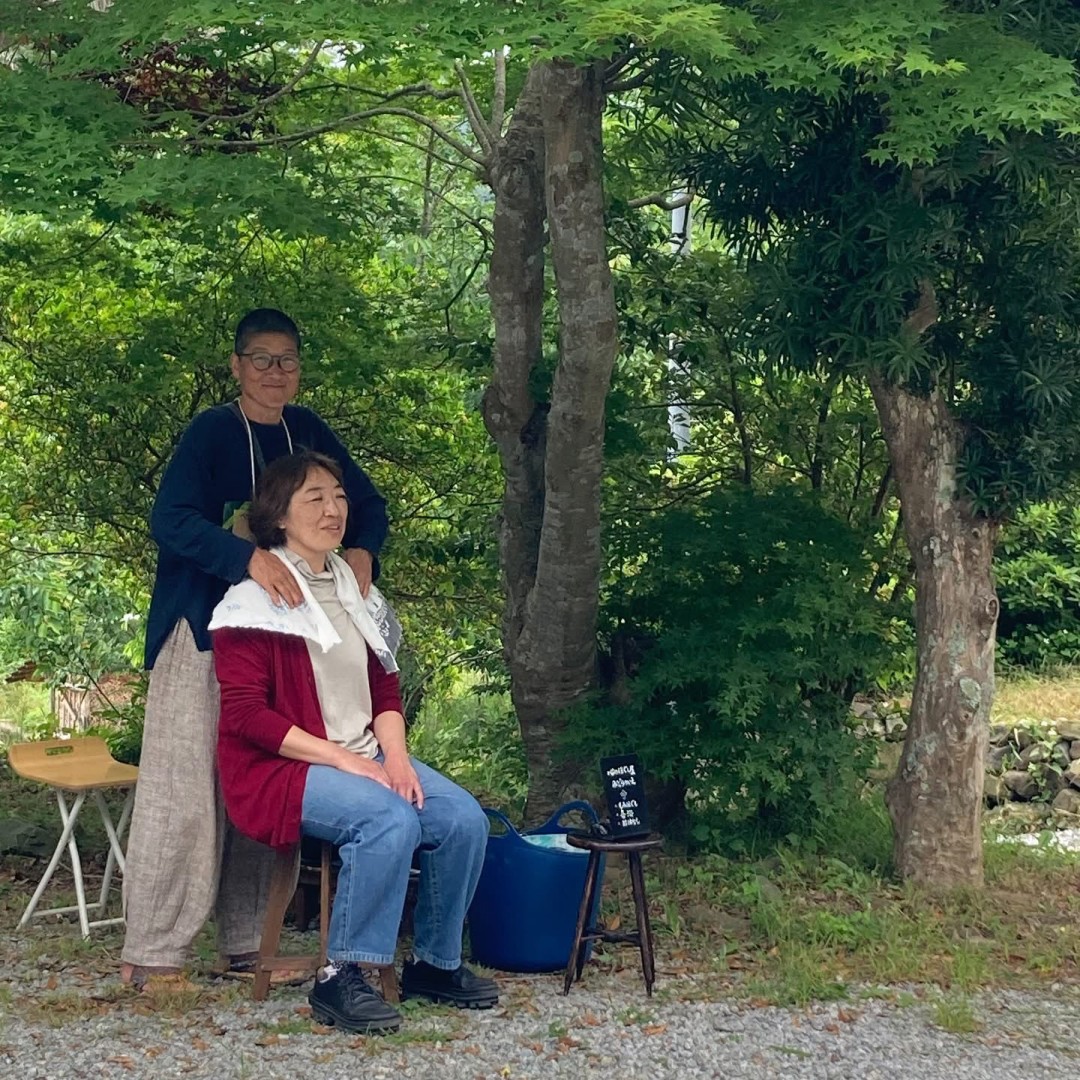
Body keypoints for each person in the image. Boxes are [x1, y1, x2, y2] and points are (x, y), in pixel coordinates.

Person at [121, 309, 389, 988]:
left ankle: (246, 944)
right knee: (184, 789)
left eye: (288, 360)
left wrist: (364, 550)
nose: (277, 373)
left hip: (285, 638)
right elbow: (170, 519)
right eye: (262, 359)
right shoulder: (213, 431)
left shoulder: (308, 434)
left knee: (262, 777)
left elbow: (368, 504)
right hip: (203, 628)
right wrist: (245, 559)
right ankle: (152, 954)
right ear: (237, 366)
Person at [209, 450, 497, 1033]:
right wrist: (346, 760)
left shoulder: (353, 587)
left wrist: (394, 759)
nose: (333, 508)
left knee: (463, 819)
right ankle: (343, 976)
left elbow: (384, 693)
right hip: (280, 768)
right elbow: (246, 718)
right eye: (314, 497)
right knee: (390, 821)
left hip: (362, 753)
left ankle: (434, 966)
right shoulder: (250, 601)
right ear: (279, 516)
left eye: (338, 496)